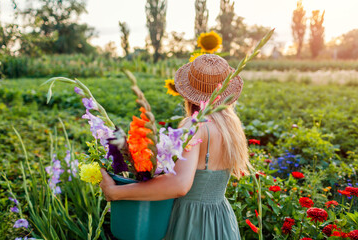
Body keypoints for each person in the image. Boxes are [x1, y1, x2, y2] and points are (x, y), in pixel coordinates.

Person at [99, 54, 252, 240]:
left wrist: (116, 192)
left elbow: (180, 185)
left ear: (188, 94)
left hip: (191, 221)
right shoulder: (231, 127)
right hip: (220, 219)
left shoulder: (195, 125)